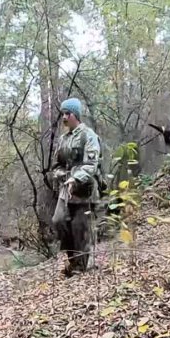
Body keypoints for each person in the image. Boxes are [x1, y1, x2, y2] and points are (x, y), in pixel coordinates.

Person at [47, 97, 102, 277]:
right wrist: (61, 176)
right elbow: (56, 166)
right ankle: (73, 261)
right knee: (59, 221)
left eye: (67, 113)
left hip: (84, 190)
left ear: (75, 115)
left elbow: (91, 164)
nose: (64, 117)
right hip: (66, 190)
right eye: (62, 113)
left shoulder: (88, 135)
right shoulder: (63, 139)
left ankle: (81, 266)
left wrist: (75, 179)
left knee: (80, 227)